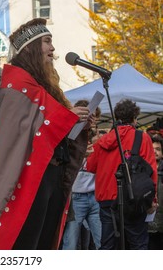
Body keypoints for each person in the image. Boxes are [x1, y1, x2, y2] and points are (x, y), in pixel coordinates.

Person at [0, 18, 91, 250]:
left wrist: (77, 121)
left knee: (45, 239)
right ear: (30, 46)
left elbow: (48, 126)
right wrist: (67, 115)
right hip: (31, 178)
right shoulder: (17, 83)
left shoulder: (44, 86)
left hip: (53, 174)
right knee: (28, 240)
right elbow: (22, 129)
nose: (53, 48)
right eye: (47, 41)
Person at [87, 99, 158, 249]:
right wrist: (153, 198)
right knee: (137, 244)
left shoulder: (102, 140)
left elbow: (90, 167)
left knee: (108, 246)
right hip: (133, 198)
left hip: (106, 199)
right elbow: (151, 170)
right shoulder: (142, 137)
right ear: (134, 118)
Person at [62, 101, 102, 250]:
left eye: (94, 120)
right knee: (71, 241)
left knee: (101, 240)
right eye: (90, 118)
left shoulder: (96, 139)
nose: (92, 123)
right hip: (76, 196)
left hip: (94, 196)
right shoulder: (70, 135)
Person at [148, 135, 163, 249]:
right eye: (152, 149)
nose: (155, 152)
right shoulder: (144, 169)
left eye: (158, 149)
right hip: (148, 221)